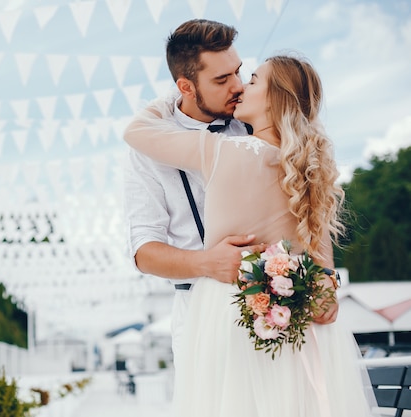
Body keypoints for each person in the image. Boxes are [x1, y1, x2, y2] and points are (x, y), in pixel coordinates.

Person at [124, 54, 376, 416]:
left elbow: (135, 132)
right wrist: (325, 286)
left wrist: (174, 97)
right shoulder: (310, 167)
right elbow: (321, 262)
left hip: (231, 312)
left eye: (252, 80)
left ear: (274, 99)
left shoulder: (225, 152)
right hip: (306, 319)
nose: (241, 86)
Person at [123, 18, 265, 368]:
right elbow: (143, 250)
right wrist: (207, 263)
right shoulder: (146, 146)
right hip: (198, 305)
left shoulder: (255, 119)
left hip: (275, 297)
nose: (238, 86)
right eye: (221, 79)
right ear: (185, 87)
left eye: (238, 72)